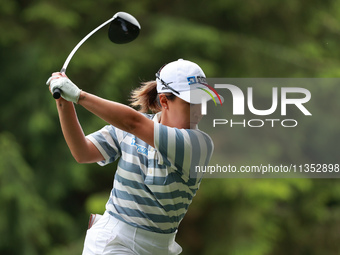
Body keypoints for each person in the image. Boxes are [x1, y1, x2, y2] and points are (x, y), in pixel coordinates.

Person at [46, 59, 222, 255]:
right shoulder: (130, 128)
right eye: (190, 103)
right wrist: (64, 101)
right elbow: (82, 152)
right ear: (164, 101)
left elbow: (133, 123)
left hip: (161, 248)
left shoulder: (198, 144)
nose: (199, 110)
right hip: (114, 241)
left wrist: (80, 96)